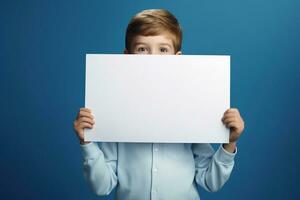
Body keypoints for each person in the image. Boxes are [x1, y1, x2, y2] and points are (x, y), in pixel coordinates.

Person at [73, 9, 245, 200]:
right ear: (126, 56)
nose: (152, 58)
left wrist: (229, 143)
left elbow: (210, 181)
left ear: (177, 58)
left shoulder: (192, 112)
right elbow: (102, 186)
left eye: (163, 50)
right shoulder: (116, 117)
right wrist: (87, 142)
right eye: (142, 49)